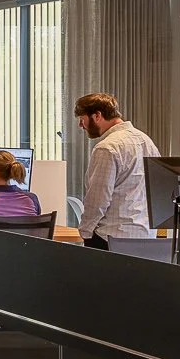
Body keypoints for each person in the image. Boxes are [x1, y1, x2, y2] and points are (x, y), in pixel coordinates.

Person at [73, 92, 154, 247]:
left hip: (112, 238)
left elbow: (98, 198)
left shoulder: (107, 147)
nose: (81, 125)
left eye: (82, 119)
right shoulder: (146, 141)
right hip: (146, 238)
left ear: (97, 116)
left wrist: (85, 232)